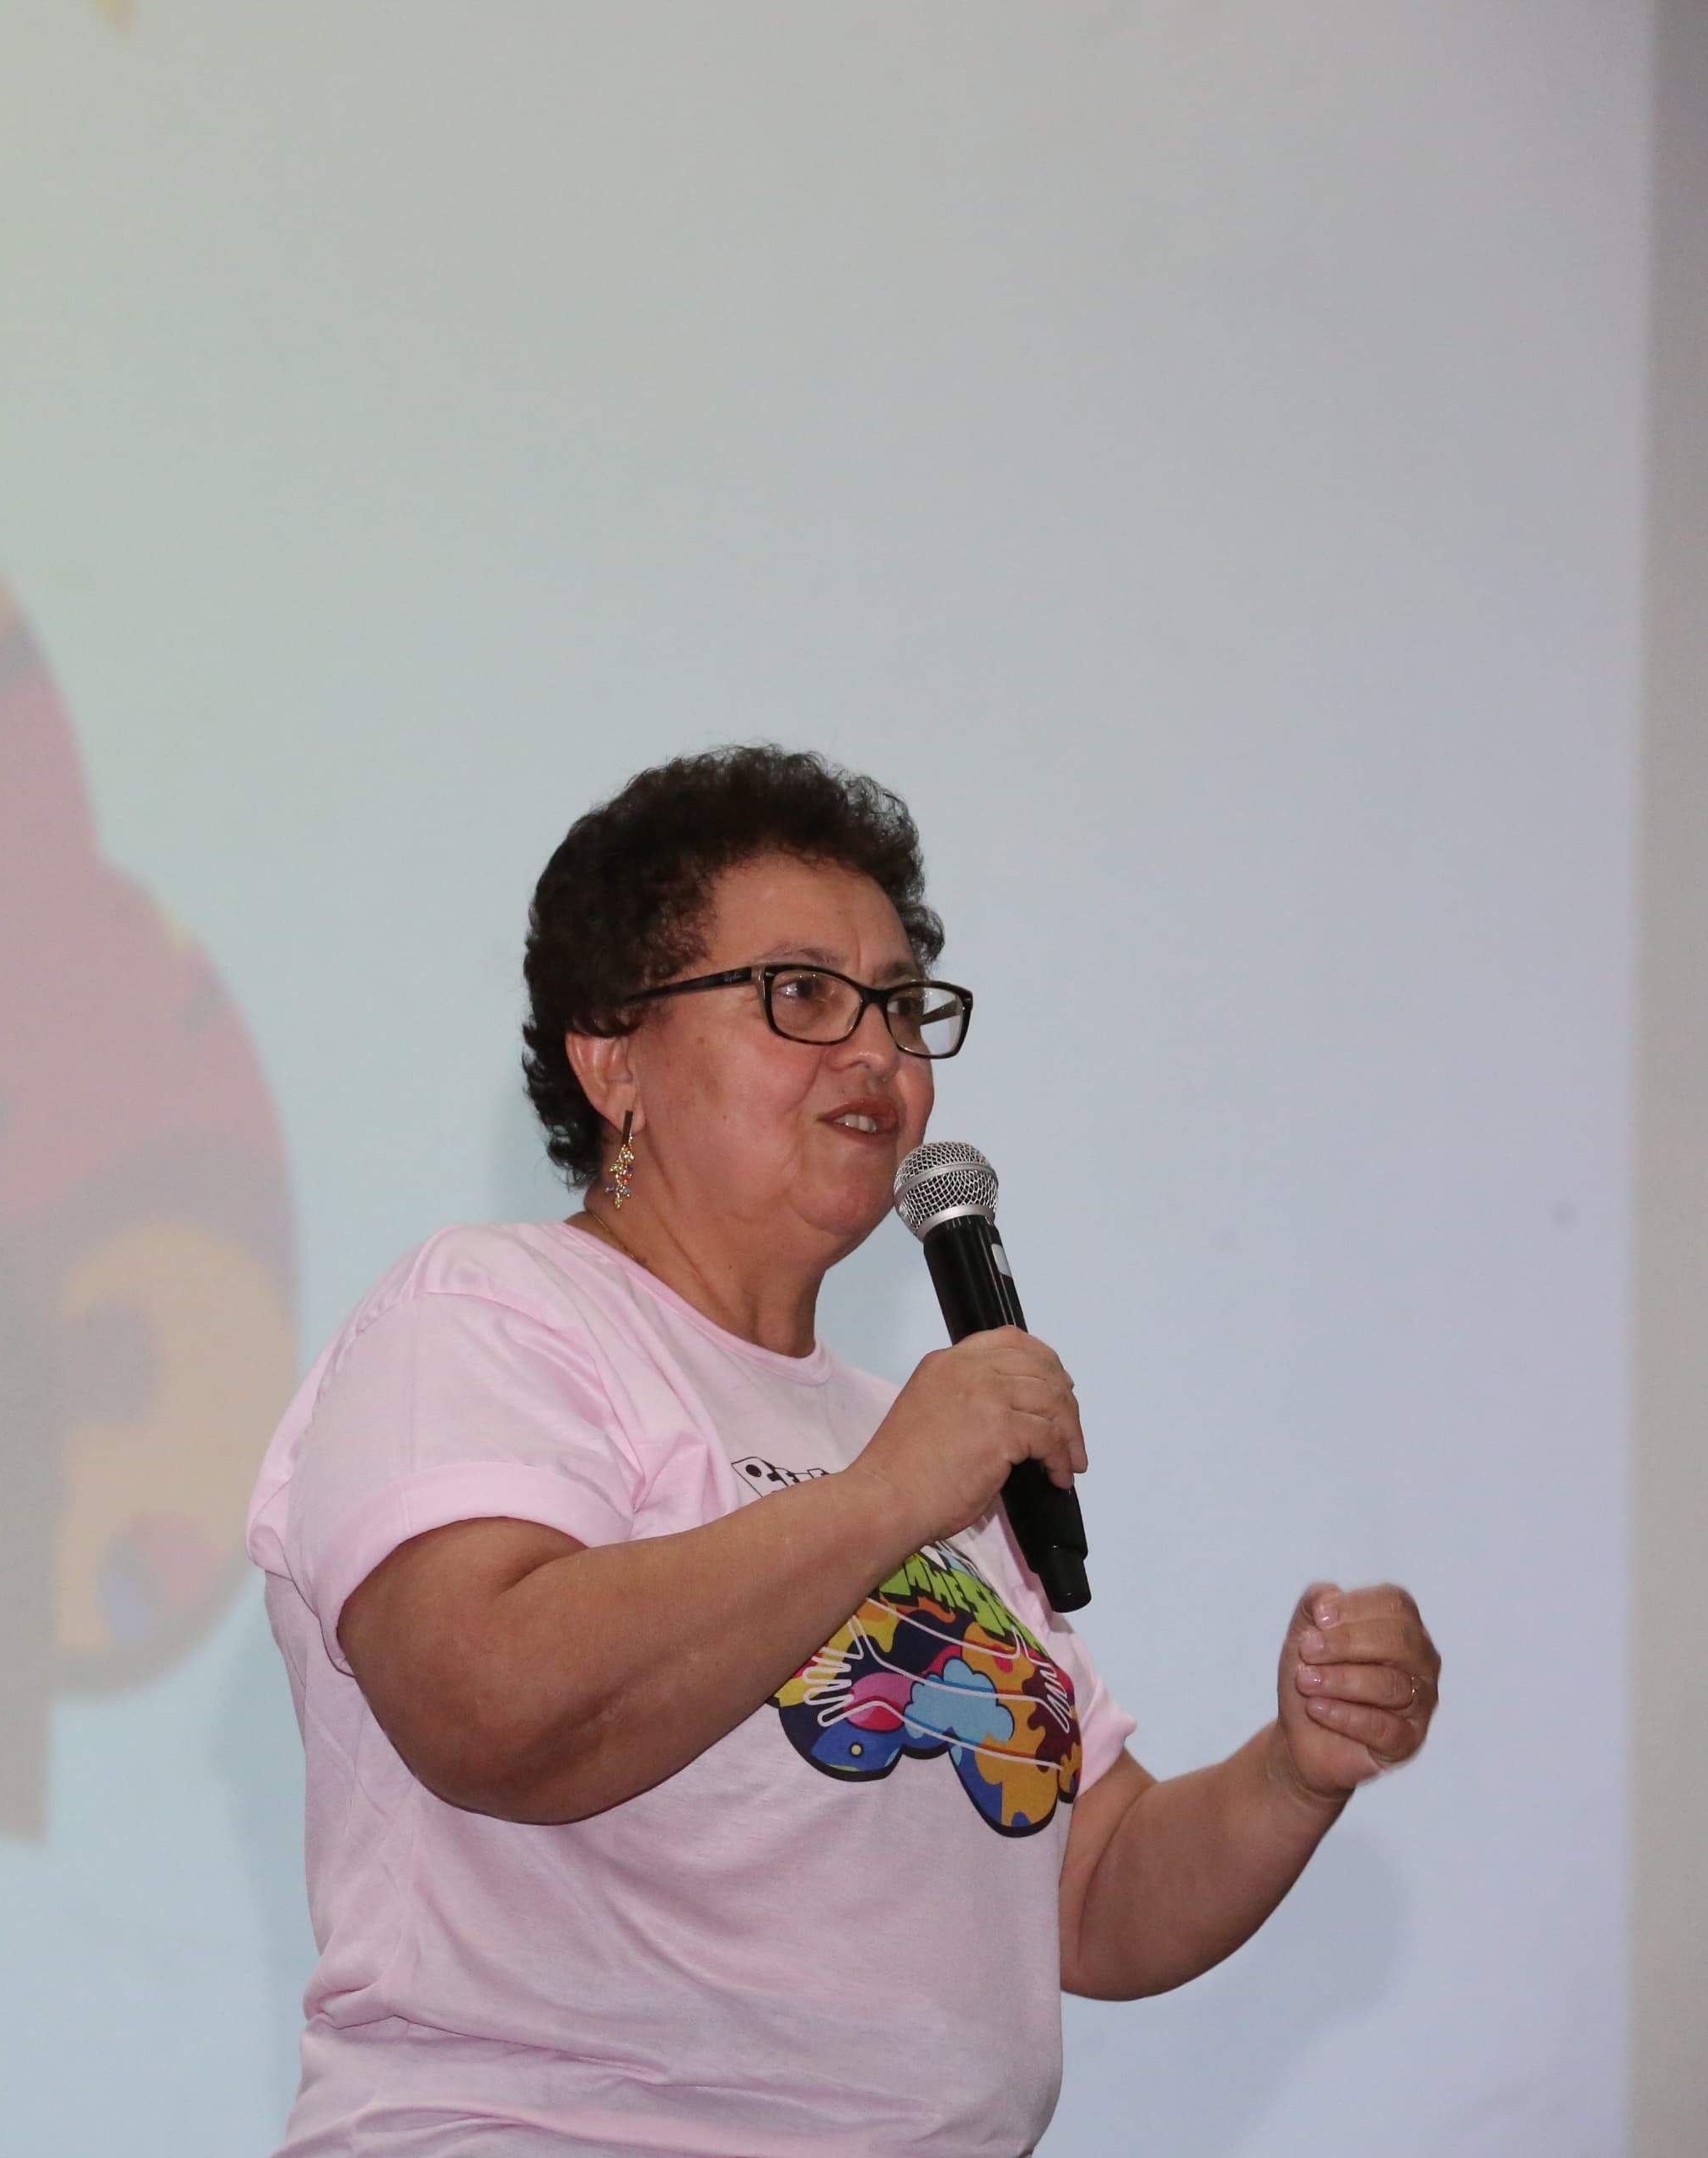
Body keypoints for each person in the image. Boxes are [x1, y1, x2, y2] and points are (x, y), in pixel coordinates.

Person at [244, 745, 1441, 2156]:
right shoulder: (494, 1312)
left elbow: (1093, 1893)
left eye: (900, 1004)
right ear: (615, 1058)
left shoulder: (908, 1434)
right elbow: (486, 1706)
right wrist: (885, 1498)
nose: (876, 1051)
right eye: (801, 995)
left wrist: (1297, 1769)